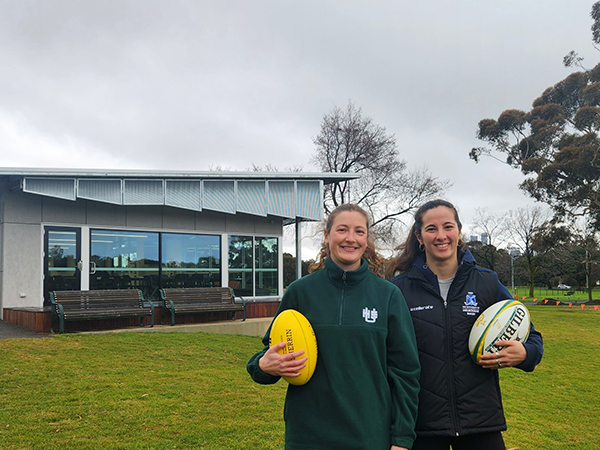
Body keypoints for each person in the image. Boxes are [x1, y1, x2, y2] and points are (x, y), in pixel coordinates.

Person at [247, 203, 421, 450]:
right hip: (307, 437)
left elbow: (406, 372)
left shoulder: (388, 295)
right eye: (342, 230)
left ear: (366, 240)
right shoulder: (300, 292)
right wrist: (263, 365)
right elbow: (269, 352)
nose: (351, 238)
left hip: (369, 436)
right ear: (327, 236)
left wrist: (402, 439)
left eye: (359, 232)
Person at [387, 199, 544, 450]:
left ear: (459, 232)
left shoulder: (487, 283)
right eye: (431, 229)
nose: (441, 236)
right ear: (419, 236)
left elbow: (532, 336)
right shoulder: (399, 289)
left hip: (480, 422)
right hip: (421, 426)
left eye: (448, 227)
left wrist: (524, 353)